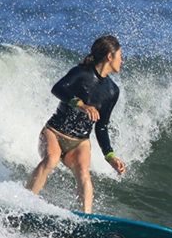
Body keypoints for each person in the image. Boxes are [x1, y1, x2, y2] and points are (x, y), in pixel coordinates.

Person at [26, 35, 126, 213]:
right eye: (120, 56)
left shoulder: (112, 91)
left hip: (80, 142)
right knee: (52, 159)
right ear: (109, 57)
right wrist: (81, 105)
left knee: (83, 173)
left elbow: (101, 126)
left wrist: (110, 156)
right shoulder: (81, 73)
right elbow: (57, 89)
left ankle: (85, 218)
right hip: (54, 133)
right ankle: (25, 202)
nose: (122, 60)